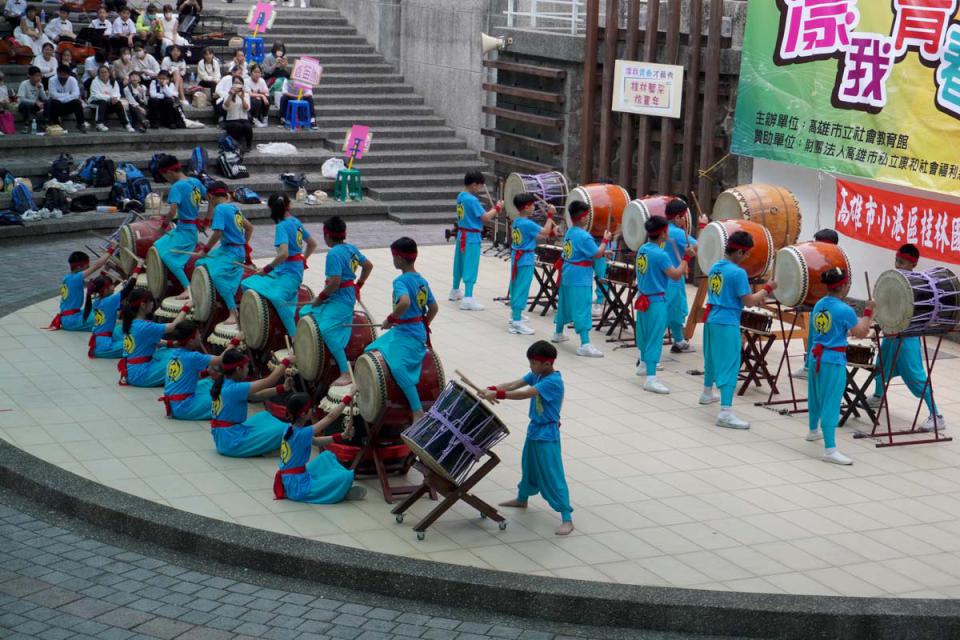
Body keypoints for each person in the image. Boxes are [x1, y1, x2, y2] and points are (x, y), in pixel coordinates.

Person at [480, 340, 574, 536]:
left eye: (533, 363)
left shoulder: (553, 382)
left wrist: (498, 394)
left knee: (552, 473)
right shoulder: (538, 374)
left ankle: (567, 517)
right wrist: (492, 388)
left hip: (548, 434)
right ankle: (522, 499)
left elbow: (524, 394)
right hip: (535, 430)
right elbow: (514, 384)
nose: (531, 367)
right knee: (528, 466)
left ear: (547, 363)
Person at [701, 230, 777, 429]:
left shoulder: (715, 266)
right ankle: (725, 412)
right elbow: (749, 301)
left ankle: (707, 392)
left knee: (711, 357)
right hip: (727, 321)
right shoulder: (738, 272)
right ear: (740, 252)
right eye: (747, 254)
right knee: (729, 364)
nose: (747, 258)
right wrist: (768, 288)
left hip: (711, 318)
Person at [868, 244, 945, 431]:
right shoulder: (895, 281)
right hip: (892, 335)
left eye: (901, 262)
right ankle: (878, 397)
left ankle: (936, 416)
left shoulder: (920, 286)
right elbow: (887, 308)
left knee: (916, 376)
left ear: (913, 264)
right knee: (881, 365)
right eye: (896, 261)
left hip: (908, 338)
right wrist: (878, 325)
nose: (898, 265)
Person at [363, 237, 438, 422]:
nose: (393, 260)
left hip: (407, 334)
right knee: (369, 350)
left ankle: (417, 410)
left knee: (398, 368)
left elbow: (405, 302)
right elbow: (434, 307)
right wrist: (421, 323)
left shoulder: (400, 281)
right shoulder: (421, 281)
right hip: (409, 331)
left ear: (400, 258)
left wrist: (390, 319)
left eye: (393, 256)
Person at [806, 268, 875, 464]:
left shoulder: (819, 305)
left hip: (815, 356)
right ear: (844, 286)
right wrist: (868, 312)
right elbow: (861, 332)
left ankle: (812, 430)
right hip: (832, 360)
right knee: (831, 402)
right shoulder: (844, 310)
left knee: (816, 396)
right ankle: (830, 450)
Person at [303, 216, 372, 383]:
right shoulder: (351, 248)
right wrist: (358, 285)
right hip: (340, 296)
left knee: (328, 330)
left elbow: (334, 282)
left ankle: (345, 372)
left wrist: (319, 298)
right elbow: (368, 265)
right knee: (305, 311)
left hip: (341, 300)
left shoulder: (333, 254)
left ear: (327, 235)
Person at [241, 194, 317, 336]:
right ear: (288, 205)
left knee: (276, 297)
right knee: (247, 282)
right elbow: (312, 244)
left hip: (290, 274)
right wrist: (302, 260)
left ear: (271, 209)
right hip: (287, 270)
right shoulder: (295, 222)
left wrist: (266, 269)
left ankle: (294, 335)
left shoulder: (282, 226)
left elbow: (283, 254)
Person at [274, 393, 366, 503]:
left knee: (326, 456)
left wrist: (341, 436)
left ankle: (337, 488)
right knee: (345, 476)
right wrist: (348, 398)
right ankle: (340, 491)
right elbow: (330, 417)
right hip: (298, 486)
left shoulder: (289, 428)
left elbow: (316, 441)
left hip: (291, 479)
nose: (312, 411)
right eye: (310, 409)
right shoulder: (302, 433)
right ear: (303, 414)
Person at [634, 217, 688, 394]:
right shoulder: (660, 254)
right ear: (663, 232)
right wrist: (686, 259)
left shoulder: (643, 249)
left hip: (643, 298)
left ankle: (643, 364)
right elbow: (675, 275)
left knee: (644, 333)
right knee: (655, 336)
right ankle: (651, 378)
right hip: (656, 301)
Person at [552, 200, 611, 357]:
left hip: (567, 272)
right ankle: (585, 344)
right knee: (582, 308)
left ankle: (558, 333)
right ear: (583, 217)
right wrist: (605, 241)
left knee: (564, 304)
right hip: (579, 277)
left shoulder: (570, 232)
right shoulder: (584, 236)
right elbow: (597, 254)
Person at [209, 349, 292, 457]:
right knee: (286, 429)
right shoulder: (235, 388)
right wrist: (286, 362)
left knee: (264, 416)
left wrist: (282, 388)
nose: (248, 369)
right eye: (246, 367)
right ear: (238, 369)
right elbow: (269, 381)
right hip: (231, 442)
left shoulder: (224, 382)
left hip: (224, 437)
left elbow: (257, 396)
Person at [195, 181, 254, 326]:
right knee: (200, 263)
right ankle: (193, 296)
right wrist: (243, 244)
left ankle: (233, 312)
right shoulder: (233, 207)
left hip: (232, 252)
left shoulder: (220, 209)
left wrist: (205, 250)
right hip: (229, 249)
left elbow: (217, 232)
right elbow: (250, 227)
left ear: (210, 196)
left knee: (218, 276)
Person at [152, 154, 207, 295]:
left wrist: (164, 226)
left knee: (170, 258)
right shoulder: (195, 181)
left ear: (169, 172)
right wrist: (206, 221)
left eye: (164, 176)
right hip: (186, 228)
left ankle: (188, 288)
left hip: (186, 232)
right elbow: (211, 199)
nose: (166, 179)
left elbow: (173, 211)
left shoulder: (177, 186)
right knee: (158, 245)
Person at [118, 285, 190, 386]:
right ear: (143, 305)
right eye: (150, 301)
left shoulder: (131, 322)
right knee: (181, 359)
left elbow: (158, 342)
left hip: (132, 370)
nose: (152, 304)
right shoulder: (145, 326)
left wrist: (171, 344)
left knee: (169, 352)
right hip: (140, 374)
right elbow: (174, 326)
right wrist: (187, 307)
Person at [794, 228, 842, 380]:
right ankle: (810, 365)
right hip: (825, 303)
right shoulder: (832, 258)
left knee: (820, 334)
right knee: (818, 333)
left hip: (825, 304)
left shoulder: (830, 261)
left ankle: (812, 366)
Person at [450, 171, 502, 310]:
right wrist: (496, 208)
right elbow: (485, 217)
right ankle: (468, 297)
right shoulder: (472, 200)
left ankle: (455, 290)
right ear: (474, 185)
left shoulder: (460, 196)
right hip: (472, 237)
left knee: (459, 263)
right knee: (470, 265)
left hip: (462, 234)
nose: (479, 189)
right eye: (479, 186)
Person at [160, 322, 233, 420]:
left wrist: (207, 372)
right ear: (190, 341)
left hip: (173, 404)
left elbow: (188, 377)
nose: (200, 336)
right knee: (226, 398)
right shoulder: (193, 356)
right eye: (198, 334)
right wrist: (235, 341)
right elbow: (221, 359)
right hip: (184, 407)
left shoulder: (174, 353)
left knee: (209, 382)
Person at [508, 193, 557, 335]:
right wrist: (550, 216)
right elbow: (545, 231)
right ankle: (516, 322)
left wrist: (552, 233)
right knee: (522, 288)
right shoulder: (527, 223)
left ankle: (515, 315)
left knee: (517, 286)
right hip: (524, 259)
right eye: (532, 205)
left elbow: (540, 235)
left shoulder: (517, 221)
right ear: (526, 207)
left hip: (518, 257)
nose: (534, 207)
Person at [664, 198, 698, 354]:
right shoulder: (677, 232)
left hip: (662, 277)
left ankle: (679, 341)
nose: (685, 219)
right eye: (683, 216)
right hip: (673, 278)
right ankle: (649, 357)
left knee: (673, 312)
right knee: (670, 313)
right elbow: (698, 245)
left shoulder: (662, 229)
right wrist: (703, 226)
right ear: (677, 217)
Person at [48, 250, 112, 331]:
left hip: (69, 317)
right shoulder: (76, 278)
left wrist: (106, 269)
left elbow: (95, 284)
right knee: (105, 316)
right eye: (87, 267)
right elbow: (97, 265)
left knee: (97, 306)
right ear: (79, 267)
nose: (88, 268)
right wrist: (111, 250)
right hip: (72, 320)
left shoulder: (68, 278)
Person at [85, 273, 130, 358]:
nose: (114, 286)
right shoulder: (108, 301)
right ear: (105, 290)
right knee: (136, 343)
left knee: (119, 328)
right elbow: (126, 291)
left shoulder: (96, 302)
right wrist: (137, 270)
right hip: (105, 346)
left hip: (99, 341)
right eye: (112, 285)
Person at [90, 65, 134, 132]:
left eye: (105, 72)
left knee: (118, 103)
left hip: (109, 104)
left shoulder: (114, 82)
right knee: (102, 101)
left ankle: (126, 124)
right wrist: (110, 98)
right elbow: (95, 95)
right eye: (101, 72)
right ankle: (99, 124)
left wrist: (115, 99)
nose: (104, 74)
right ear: (98, 74)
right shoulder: (95, 82)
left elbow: (117, 94)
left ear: (109, 73)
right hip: (95, 104)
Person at [47, 65, 86, 133]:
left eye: (65, 75)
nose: (62, 77)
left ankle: (80, 124)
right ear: (57, 73)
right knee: (54, 102)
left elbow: (76, 94)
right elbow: (53, 95)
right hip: (57, 106)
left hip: (68, 106)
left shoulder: (73, 80)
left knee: (77, 102)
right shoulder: (52, 80)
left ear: (69, 74)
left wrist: (61, 98)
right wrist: (68, 94)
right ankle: (56, 124)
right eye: (60, 75)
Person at [222, 76, 252, 150]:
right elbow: (225, 107)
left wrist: (242, 98)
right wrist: (231, 95)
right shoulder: (228, 94)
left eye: (239, 83)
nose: (237, 85)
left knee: (248, 127)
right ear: (232, 84)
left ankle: (248, 146)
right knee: (237, 126)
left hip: (243, 119)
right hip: (231, 120)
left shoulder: (246, 95)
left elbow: (246, 109)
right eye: (236, 83)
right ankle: (236, 144)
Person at [16, 66, 47, 134]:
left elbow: (45, 98)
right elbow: (21, 99)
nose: (39, 78)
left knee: (48, 103)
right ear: (30, 76)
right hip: (23, 106)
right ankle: (26, 126)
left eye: (40, 76)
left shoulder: (40, 85)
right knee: (26, 104)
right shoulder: (24, 84)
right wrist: (35, 102)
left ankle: (46, 123)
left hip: (35, 106)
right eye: (36, 76)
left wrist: (40, 89)